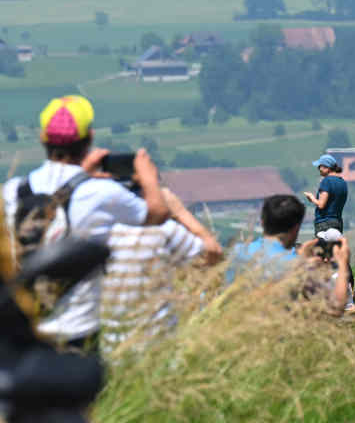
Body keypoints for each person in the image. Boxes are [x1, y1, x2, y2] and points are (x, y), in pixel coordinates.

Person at [2, 95, 169, 348]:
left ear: (42, 138)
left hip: (25, 330)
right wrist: (148, 177)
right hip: (77, 328)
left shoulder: (12, 191)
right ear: (89, 138)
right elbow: (157, 213)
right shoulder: (101, 192)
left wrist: (82, 175)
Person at [99, 188, 222, 357]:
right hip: (159, 348)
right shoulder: (162, 229)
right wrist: (180, 212)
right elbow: (212, 254)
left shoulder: (93, 229)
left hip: (108, 349)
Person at [304, 154, 348, 235]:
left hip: (324, 223)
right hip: (338, 223)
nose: (319, 169)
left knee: (323, 243)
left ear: (327, 168)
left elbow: (321, 205)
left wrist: (311, 198)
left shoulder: (326, 181)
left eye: (319, 167)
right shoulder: (343, 182)